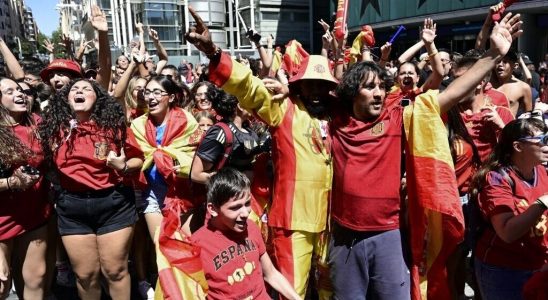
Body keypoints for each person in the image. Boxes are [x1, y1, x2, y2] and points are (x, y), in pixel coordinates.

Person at [328, 13, 522, 300]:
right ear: (351, 95)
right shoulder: (336, 122)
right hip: (344, 239)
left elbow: (452, 93)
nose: (379, 93)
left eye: (382, 87)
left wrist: (493, 54)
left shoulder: (399, 116)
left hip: (389, 235)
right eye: (370, 87)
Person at [185, 7, 335, 299]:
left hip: (330, 220)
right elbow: (251, 89)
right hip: (294, 223)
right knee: (293, 290)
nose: (316, 91)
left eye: (323, 85)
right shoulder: (283, 109)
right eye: (310, 84)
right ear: (298, 87)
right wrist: (215, 53)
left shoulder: (334, 117)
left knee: (329, 288)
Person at [38, 79, 144, 300]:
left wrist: (122, 166)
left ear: (98, 99)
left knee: (115, 271)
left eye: (87, 89)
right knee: (85, 275)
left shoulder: (114, 126)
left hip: (113, 204)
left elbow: (137, 160)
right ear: (66, 99)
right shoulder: (52, 130)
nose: (79, 91)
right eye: (74, 89)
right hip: (72, 207)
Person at [190, 168, 301, 300]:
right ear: (213, 209)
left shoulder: (252, 228)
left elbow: (271, 274)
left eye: (247, 203)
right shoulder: (196, 247)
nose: (245, 213)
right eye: (235, 207)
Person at [469, 117, 548, 300]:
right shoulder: (497, 179)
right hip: (504, 271)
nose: (547, 145)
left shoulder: (541, 171)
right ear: (518, 147)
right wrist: (542, 203)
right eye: (542, 140)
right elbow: (507, 232)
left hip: (537, 263)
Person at [130, 75, 201, 240]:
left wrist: (178, 161)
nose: (151, 97)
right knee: (160, 245)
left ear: (171, 97)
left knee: (186, 244)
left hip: (181, 191)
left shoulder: (187, 121)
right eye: (147, 92)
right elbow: (136, 154)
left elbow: (195, 154)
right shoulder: (138, 125)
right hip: (152, 191)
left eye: (157, 92)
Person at [0, 77, 51, 299]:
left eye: (20, 90)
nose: (19, 94)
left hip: (34, 212)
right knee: (1, 284)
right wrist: (12, 182)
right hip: (1, 217)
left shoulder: (38, 124)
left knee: (36, 277)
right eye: (10, 91)